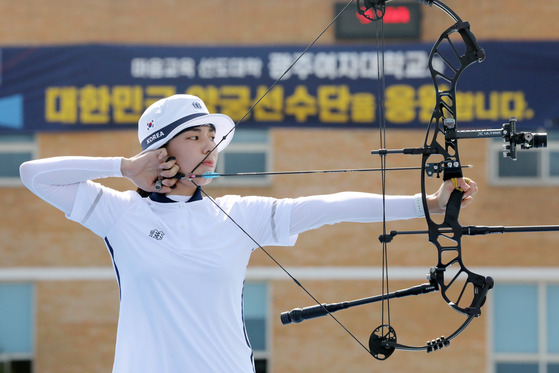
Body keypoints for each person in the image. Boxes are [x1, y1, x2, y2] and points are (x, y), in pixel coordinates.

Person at [19, 94, 477, 373]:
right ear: (161, 151)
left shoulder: (238, 213)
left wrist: (429, 205)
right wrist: (122, 168)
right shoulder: (119, 213)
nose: (210, 146)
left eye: (211, 137)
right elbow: (32, 173)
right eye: (194, 137)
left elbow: (330, 207)